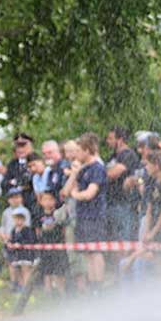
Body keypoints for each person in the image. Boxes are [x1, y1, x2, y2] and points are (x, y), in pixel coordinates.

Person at [63, 131, 107, 290]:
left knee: (95, 252)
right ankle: (92, 286)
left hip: (94, 216)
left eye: (79, 150)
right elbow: (66, 191)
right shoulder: (83, 168)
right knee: (87, 253)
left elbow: (90, 193)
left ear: (88, 150)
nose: (76, 154)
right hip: (82, 216)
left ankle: (99, 286)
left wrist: (76, 194)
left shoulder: (97, 168)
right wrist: (74, 173)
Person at [104, 126, 140, 243]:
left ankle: (123, 261)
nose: (107, 142)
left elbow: (113, 173)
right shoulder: (113, 157)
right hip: (110, 202)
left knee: (122, 240)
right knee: (112, 240)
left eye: (110, 138)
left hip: (123, 203)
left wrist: (100, 174)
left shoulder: (128, 155)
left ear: (120, 140)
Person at [33, 189, 68, 295]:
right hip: (45, 246)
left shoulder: (58, 214)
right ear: (41, 201)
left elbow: (63, 229)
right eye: (45, 199)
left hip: (58, 245)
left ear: (55, 201)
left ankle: (61, 291)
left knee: (59, 270)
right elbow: (37, 230)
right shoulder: (38, 214)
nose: (48, 202)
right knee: (46, 269)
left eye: (50, 199)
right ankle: (48, 291)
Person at [4, 206, 36, 292]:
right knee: (18, 271)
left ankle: (27, 287)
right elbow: (11, 240)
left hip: (26, 254)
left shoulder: (27, 229)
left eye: (20, 219)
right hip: (17, 254)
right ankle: (20, 286)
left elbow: (31, 240)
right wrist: (10, 243)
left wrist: (21, 244)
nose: (18, 221)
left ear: (24, 219)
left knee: (25, 270)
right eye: (16, 219)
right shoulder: (14, 230)